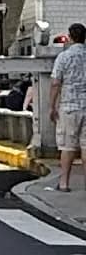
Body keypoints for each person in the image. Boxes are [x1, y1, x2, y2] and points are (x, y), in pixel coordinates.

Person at [49, 22, 86, 191]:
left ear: (70, 38)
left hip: (69, 106)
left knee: (68, 146)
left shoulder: (64, 57)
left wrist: (52, 106)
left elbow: (56, 83)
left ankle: (64, 183)